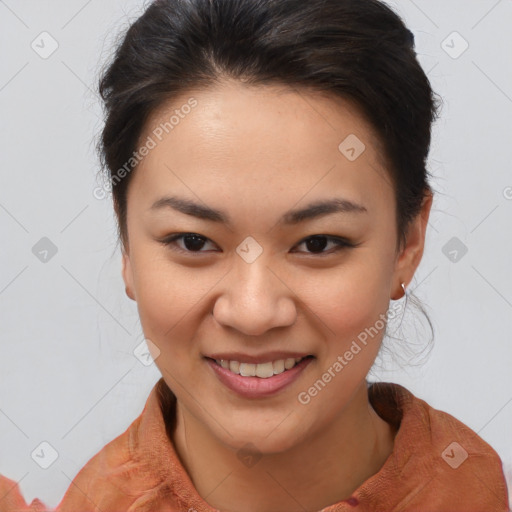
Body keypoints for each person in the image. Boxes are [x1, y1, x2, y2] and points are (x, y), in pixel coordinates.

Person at [1, 0, 509, 510]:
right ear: (126, 242)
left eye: (318, 243)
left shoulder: (472, 489)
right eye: (193, 241)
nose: (253, 312)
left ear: (408, 243)